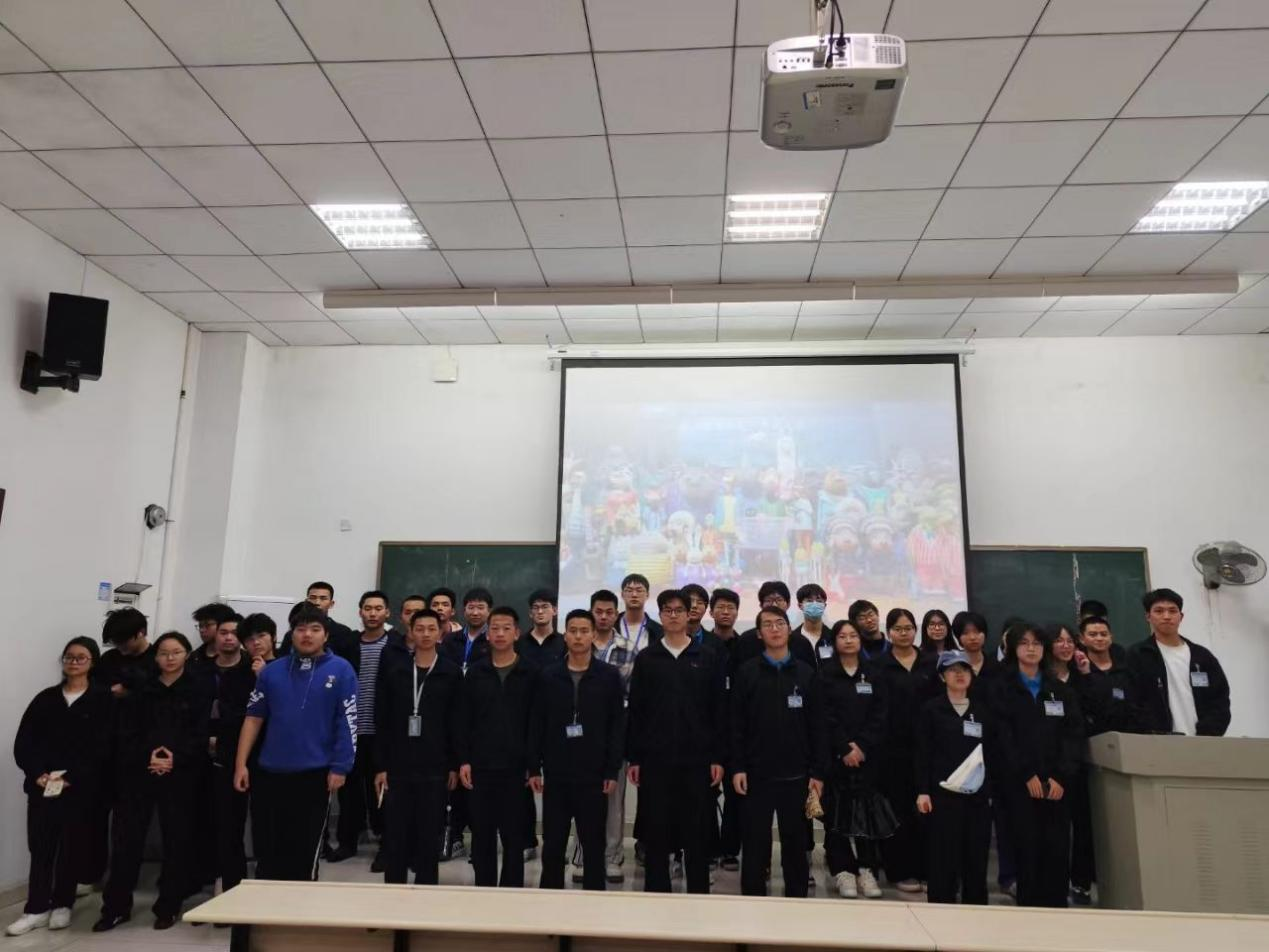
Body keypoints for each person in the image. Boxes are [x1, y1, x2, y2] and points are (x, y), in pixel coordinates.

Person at [234, 604, 357, 882]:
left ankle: (301, 901)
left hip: (315, 773)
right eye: (301, 629)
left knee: (304, 849)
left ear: (326, 635)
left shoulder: (341, 670)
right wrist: (241, 764)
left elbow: (348, 721)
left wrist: (341, 766)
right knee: (269, 847)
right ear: (292, 634)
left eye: (315, 629)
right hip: (270, 772)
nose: (307, 635)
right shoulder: (271, 672)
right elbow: (253, 719)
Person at [95, 631, 207, 932]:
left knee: (177, 842)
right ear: (155, 657)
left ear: (187, 655)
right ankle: (116, 907)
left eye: (176, 652)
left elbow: (200, 733)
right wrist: (150, 755)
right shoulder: (142, 689)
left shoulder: (197, 688)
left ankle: (168, 907)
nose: (169, 658)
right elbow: (127, 730)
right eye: (163, 653)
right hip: (138, 772)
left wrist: (174, 757)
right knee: (126, 842)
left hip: (181, 773)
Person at [9, 638, 111, 937]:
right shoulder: (45, 699)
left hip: (81, 788)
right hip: (43, 787)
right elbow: (24, 742)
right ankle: (36, 908)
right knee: (41, 847)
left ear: (92, 662)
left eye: (81, 657)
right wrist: (38, 774)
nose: (74, 662)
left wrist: (72, 777)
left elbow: (103, 747)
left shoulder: (102, 699)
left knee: (72, 847)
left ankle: (63, 903)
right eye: (69, 657)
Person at [626, 589, 726, 894]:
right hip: (656, 759)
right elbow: (637, 711)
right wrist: (635, 758)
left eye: (678, 610)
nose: (673, 615)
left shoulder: (707, 657)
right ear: (660, 615)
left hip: (697, 760)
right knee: (657, 830)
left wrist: (717, 757)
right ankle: (658, 892)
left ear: (688, 614)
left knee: (697, 831)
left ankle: (698, 893)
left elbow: (719, 710)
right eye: (667, 610)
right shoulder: (647, 658)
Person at [730, 606, 824, 898]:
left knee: (796, 845)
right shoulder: (747, 673)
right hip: (756, 775)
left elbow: (818, 728)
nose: (775, 629)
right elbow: (736, 725)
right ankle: (753, 901)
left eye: (780, 623)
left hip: (797, 776)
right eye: (768, 624)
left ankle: (797, 901)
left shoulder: (806, 674)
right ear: (759, 633)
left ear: (788, 629)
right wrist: (738, 766)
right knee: (754, 844)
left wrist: (817, 772)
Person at [528, 609, 624, 890]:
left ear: (593, 635)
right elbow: (537, 722)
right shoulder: (548, 675)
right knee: (553, 842)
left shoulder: (608, 676)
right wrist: (534, 767)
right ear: (565, 635)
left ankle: (593, 897)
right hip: (557, 771)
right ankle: (551, 896)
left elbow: (616, 725)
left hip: (594, 773)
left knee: (593, 842)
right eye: (573, 631)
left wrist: (612, 770)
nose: (578, 636)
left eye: (584, 631)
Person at [992, 623, 1083, 908]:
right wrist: (1026, 774)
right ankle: (1029, 908)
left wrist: (1061, 776)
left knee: (1057, 847)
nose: (1031, 649)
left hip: (1057, 784)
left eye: (1037, 643)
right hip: (1019, 783)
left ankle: (1056, 906)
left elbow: (1073, 735)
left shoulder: (1060, 690)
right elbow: (1002, 737)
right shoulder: (1002, 689)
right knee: (1025, 846)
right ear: (1013, 649)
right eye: (1024, 643)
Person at [373, 609, 462, 885]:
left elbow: (457, 722)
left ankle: (426, 892)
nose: (425, 634)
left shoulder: (451, 672)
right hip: (398, 765)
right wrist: (381, 766)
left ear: (440, 633)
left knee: (429, 835)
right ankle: (394, 893)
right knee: (396, 834)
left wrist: (454, 764)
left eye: (431, 628)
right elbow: (382, 720)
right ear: (410, 632)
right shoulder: (395, 670)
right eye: (419, 628)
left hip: (435, 767)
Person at [457, 606, 538, 887]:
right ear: (488, 634)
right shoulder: (475, 673)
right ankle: (484, 890)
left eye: (506, 628)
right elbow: (463, 721)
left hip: (517, 768)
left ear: (516, 633)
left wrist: (533, 765)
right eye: (495, 628)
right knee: (482, 834)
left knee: (514, 836)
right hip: (481, 766)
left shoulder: (530, 673)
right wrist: (464, 760)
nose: (500, 633)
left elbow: (536, 724)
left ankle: (511, 891)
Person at [916, 650, 996, 905]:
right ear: (942, 676)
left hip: (977, 798)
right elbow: (922, 753)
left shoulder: (983, 711)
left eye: (964, 669)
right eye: (953, 670)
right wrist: (923, 791)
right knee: (942, 858)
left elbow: (993, 754)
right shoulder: (931, 710)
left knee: (976, 858)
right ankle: (941, 910)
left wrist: (990, 791)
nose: (960, 674)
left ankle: (976, 911)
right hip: (942, 796)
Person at [817, 619, 889, 900]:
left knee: (866, 815)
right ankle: (843, 870)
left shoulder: (874, 673)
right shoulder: (826, 674)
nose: (848, 640)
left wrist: (862, 746)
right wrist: (844, 748)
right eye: (842, 636)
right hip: (836, 758)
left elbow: (881, 714)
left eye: (853, 635)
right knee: (836, 815)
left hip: (868, 758)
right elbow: (825, 716)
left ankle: (867, 870)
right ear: (834, 642)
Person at [331, 591, 400, 868]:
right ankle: (347, 842)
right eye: (367, 608)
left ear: (387, 613)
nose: (372, 613)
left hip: (383, 731)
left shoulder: (396, 644)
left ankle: (387, 845)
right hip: (351, 730)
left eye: (378, 608)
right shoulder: (348, 644)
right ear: (360, 612)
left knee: (381, 790)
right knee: (348, 791)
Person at [581, 589, 636, 884]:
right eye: (598, 612)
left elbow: (631, 697)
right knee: (581, 799)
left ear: (616, 614)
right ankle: (583, 855)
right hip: (579, 736)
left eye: (608, 612)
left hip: (614, 733)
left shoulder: (627, 649)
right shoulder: (577, 643)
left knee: (613, 800)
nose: (603, 617)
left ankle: (612, 857)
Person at [1127, 588, 1230, 737]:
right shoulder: (1137, 655)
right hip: (1157, 742)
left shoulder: (1202, 656)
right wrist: (1151, 733)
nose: (1166, 616)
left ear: (1181, 617)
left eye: (1172, 611)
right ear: (1148, 616)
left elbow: (1220, 701)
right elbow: (1132, 702)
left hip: (1203, 742)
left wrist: (1209, 733)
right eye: (1159, 611)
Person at [440, 586, 494, 860]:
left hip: (481, 717)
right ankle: (455, 837)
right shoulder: (451, 641)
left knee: (478, 783)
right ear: (463, 610)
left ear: (489, 611)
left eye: (480, 607)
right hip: (451, 712)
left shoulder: (494, 639)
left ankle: (481, 840)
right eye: (471, 607)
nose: (475, 612)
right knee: (453, 782)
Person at [204, 616, 255, 894]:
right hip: (203, 753)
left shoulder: (252, 670)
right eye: (223, 632)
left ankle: (233, 880)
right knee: (211, 820)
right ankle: (212, 875)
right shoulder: (201, 669)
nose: (228, 637)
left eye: (235, 633)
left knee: (233, 823)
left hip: (241, 755)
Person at [705, 587, 742, 870]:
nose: (726, 612)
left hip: (738, 729)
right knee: (705, 792)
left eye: (731, 607)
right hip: (708, 729)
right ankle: (707, 847)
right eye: (721, 607)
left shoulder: (746, 645)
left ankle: (730, 849)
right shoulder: (702, 645)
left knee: (736, 794)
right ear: (711, 611)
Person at [1076, 616, 1140, 736]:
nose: (1099, 638)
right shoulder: (1078, 669)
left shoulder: (1126, 667)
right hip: (1092, 737)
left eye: (1104, 634)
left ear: (1111, 637)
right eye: (1093, 635)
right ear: (1082, 639)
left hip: (1128, 736)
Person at [94, 608, 156, 697]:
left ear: (141, 632)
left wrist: (130, 694)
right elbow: (95, 688)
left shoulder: (158, 659)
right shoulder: (108, 658)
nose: (119, 645)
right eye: (115, 641)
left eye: (123, 640)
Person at [519, 589, 564, 667]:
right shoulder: (519, 643)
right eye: (536, 607)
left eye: (545, 607)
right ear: (530, 613)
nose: (540, 611)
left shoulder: (563, 643)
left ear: (554, 610)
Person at [792, 583, 832, 666]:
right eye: (809, 601)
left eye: (819, 601)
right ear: (800, 606)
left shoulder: (833, 636)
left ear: (824, 605)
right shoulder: (792, 638)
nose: (814, 604)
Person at [189, 602, 236, 673]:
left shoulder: (245, 659)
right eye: (200, 626)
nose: (202, 630)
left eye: (207, 625)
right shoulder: (193, 658)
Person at [619, 573, 663, 646]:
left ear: (647, 595)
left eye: (639, 591)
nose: (634, 595)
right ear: (622, 595)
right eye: (629, 591)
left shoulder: (658, 631)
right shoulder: (611, 626)